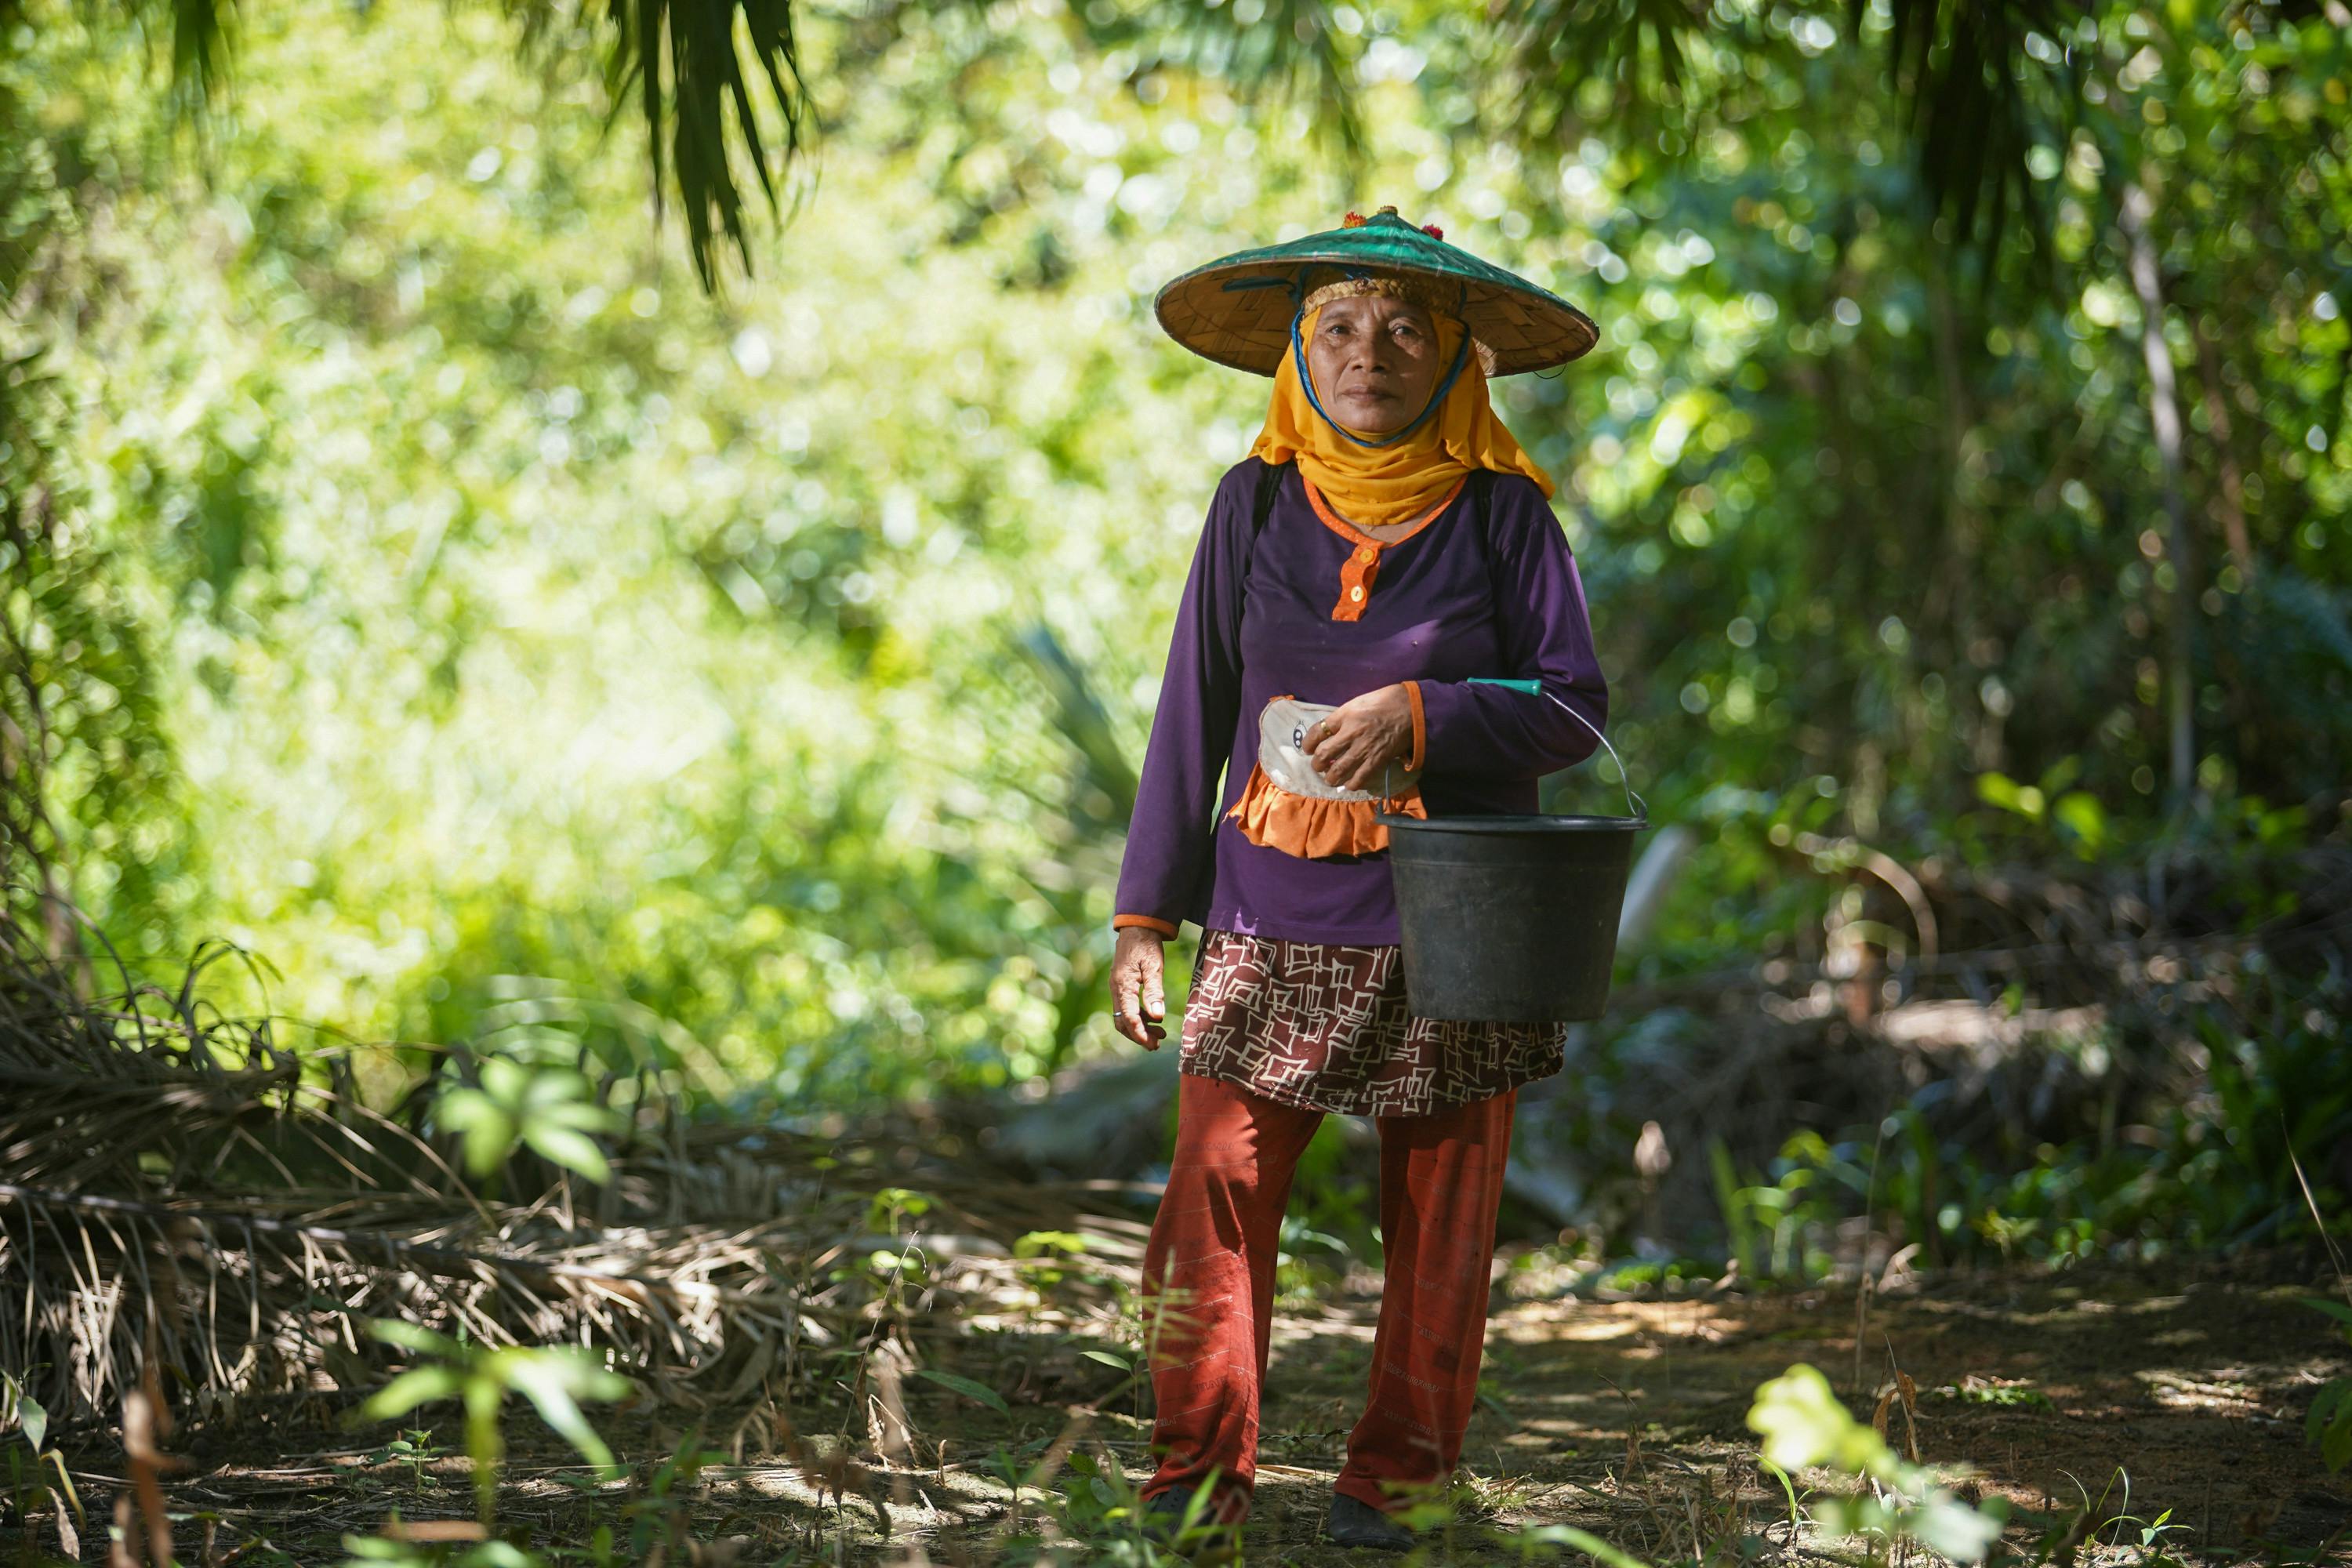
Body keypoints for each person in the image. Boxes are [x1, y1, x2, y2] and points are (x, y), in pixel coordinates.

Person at [1108, 205, 1609, 1552]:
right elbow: (1191, 706)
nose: (1367, 353)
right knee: (1212, 1195)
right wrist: (1145, 913)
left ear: (1457, 358)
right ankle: (1191, 1487)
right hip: (1272, 913)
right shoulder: (1255, 500)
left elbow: (1574, 710)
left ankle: (1398, 1490)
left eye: (1403, 329)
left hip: (1460, 925)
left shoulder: (1507, 517)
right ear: (1296, 349)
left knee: (1440, 1225)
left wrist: (1432, 716)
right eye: (1337, 325)